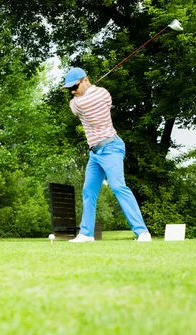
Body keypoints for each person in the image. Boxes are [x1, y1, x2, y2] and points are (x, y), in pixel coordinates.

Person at [63, 67, 151, 242]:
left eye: (74, 87)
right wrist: (86, 90)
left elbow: (80, 103)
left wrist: (84, 93)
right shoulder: (102, 93)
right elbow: (95, 98)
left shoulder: (79, 103)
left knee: (118, 187)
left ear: (85, 80)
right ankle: (86, 234)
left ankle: (142, 232)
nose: (72, 92)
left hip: (111, 147)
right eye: (69, 89)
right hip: (95, 153)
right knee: (88, 190)